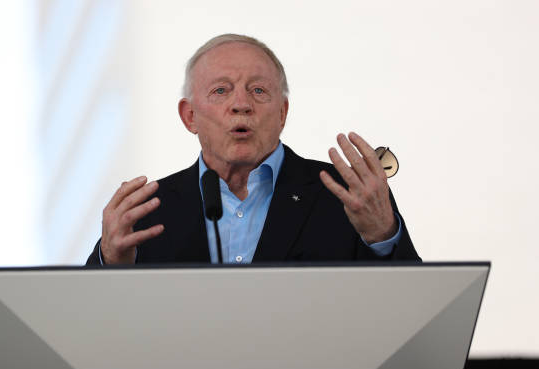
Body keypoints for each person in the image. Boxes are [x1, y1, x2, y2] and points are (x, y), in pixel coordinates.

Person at [86, 34, 420, 265]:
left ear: (282, 113)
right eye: (221, 91)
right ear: (190, 116)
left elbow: (412, 314)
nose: (242, 104)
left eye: (258, 90)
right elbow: (89, 326)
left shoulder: (351, 196)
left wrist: (382, 236)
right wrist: (110, 262)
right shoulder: (146, 213)